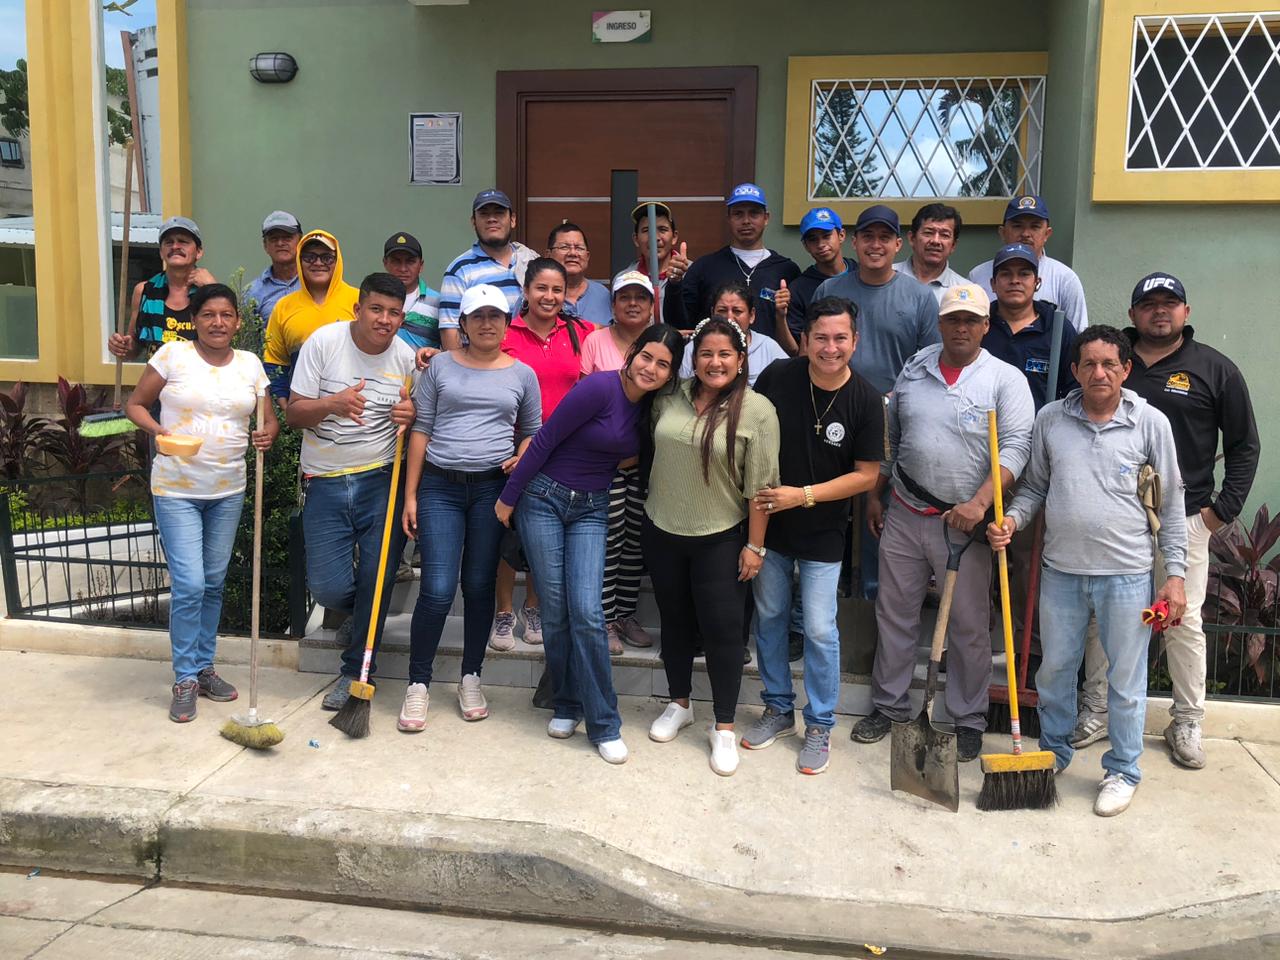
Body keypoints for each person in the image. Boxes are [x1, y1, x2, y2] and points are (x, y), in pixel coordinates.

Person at [989, 325, 1187, 817]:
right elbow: (1035, 488)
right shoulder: (1051, 419)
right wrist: (1012, 520)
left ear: (1126, 369)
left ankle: (1122, 770)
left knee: (1125, 681)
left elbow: (1172, 504)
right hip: (1062, 572)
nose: (1099, 373)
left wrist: (1175, 575)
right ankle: (1053, 752)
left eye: (1109, 364)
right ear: (1075, 370)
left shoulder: (1150, 423)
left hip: (1128, 575)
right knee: (1055, 670)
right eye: (1089, 364)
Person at [1075, 274, 1258, 770]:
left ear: (1185, 312)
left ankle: (1187, 720)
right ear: (1133, 314)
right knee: (1103, 618)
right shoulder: (1111, 360)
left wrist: (1219, 513)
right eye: (1149, 304)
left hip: (1184, 516)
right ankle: (1096, 709)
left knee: (1179, 619)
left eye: (1170, 303)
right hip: (1114, 517)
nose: (1160, 311)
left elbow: (1244, 445)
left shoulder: (1214, 369)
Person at [852, 283, 1034, 762]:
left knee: (969, 626)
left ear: (986, 326)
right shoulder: (916, 368)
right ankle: (889, 706)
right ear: (940, 323)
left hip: (964, 526)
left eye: (971, 320)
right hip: (904, 511)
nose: (961, 328)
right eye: (953, 319)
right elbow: (892, 436)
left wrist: (979, 503)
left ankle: (968, 718)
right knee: (894, 614)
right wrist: (875, 495)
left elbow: (1017, 447)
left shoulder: (1005, 379)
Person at [497, 325, 686, 761]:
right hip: (544, 499)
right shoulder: (599, 387)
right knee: (556, 609)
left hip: (592, 507)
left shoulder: (653, 408)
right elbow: (545, 439)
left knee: (586, 611)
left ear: (670, 374)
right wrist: (509, 497)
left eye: (663, 365)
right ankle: (566, 703)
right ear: (632, 353)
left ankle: (604, 723)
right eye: (646, 356)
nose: (651, 368)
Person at [123, 283, 278, 722]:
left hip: (228, 489)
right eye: (208, 314)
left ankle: (205, 668)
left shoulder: (250, 365)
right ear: (194, 320)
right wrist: (159, 432)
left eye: (226, 315)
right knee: (190, 584)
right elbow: (135, 405)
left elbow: (268, 420)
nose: (217, 322)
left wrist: (267, 434)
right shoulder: (172, 356)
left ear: (237, 322)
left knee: (212, 582)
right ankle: (185, 678)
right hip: (177, 488)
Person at [743, 296, 883, 775]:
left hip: (824, 532)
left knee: (821, 629)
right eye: (820, 337)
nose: (830, 347)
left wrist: (802, 496)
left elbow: (867, 475)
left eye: (840, 338)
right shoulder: (778, 377)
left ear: (855, 341)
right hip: (771, 526)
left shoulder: (866, 398)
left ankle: (820, 722)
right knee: (770, 617)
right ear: (804, 340)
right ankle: (778, 708)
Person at [398, 284, 542, 729]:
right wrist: (410, 495)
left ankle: (471, 677)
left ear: (507, 323)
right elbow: (421, 429)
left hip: (490, 491)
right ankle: (418, 684)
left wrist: (520, 460)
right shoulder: (439, 366)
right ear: (462, 323)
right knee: (438, 589)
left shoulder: (522, 374)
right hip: (439, 487)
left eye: (494, 316)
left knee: (479, 586)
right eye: (477, 316)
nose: (486, 323)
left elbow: (532, 431)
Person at [643, 316, 780, 777]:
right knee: (674, 622)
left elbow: (761, 487)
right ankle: (679, 703)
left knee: (723, 633)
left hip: (721, 538)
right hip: (663, 528)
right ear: (693, 358)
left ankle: (723, 725)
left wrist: (755, 547)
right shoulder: (670, 397)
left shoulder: (757, 410)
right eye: (706, 353)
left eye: (724, 354)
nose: (715, 362)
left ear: (741, 360)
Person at [285, 273, 417, 712]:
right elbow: (294, 415)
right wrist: (333, 404)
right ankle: (361, 616)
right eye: (376, 309)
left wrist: (411, 413)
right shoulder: (324, 343)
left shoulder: (406, 358)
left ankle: (355, 671)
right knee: (327, 587)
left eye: (394, 312)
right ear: (358, 309)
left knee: (376, 578)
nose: (384, 320)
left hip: (381, 479)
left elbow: (420, 417)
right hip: (323, 480)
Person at [814, 204, 939, 601]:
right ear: (854, 242)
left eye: (885, 237)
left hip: (890, 421)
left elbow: (928, 365)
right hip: (831, 414)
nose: (875, 245)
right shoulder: (829, 291)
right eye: (868, 236)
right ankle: (827, 593)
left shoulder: (919, 298)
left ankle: (873, 596)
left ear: (899, 245)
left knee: (877, 509)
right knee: (828, 502)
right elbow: (811, 353)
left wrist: (893, 399)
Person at [488, 259, 595, 651]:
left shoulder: (582, 333)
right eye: (541, 288)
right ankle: (504, 612)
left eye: (557, 290)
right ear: (526, 291)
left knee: (541, 537)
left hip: (564, 452)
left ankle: (533, 607)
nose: (549, 297)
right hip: (512, 448)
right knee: (508, 535)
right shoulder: (506, 334)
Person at [581, 271, 661, 653]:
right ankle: (605, 618)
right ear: (612, 304)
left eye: (640, 297)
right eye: (624, 297)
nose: (632, 303)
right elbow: (584, 396)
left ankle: (626, 613)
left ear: (651, 305)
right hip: (604, 465)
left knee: (635, 543)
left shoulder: (658, 343)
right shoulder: (595, 340)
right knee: (609, 539)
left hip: (644, 465)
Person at [675, 183, 800, 351]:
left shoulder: (787, 270)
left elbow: (795, 344)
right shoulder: (704, 268)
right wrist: (674, 284)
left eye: (754, 213)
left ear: (766, 218)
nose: (746, 221)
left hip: (770, 363)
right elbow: (681, 322)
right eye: (738, 214)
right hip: (716, 362)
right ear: (728, 218)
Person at [262, 230, 359, 407]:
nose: (318, 263)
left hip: (354, 408)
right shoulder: (284, 306)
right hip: (303, 409)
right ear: (299, 261)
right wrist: (286, 407)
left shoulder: (358, 300)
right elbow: (275, 363)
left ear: (337, 260)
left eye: (326, 258)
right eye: (309, 257)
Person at [968, 195, 1089, 333]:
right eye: (1017, 226)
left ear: (1047, 234)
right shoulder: (978, 276)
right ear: (1002, 232)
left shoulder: (1065, 279)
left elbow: (1079, 336)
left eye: (1035, 226)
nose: (1025, 234)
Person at [437, 189, 539, 350]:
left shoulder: (531, 262)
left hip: (530, 360)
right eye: (484, 214)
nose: (492, 219)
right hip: (480, 363)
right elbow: (450, 332)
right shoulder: (459, 270)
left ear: (512, 220)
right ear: (474, 222)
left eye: (499, 213)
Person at [981, 244, 1075, 410]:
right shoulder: (979, 324)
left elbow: (1074, 389)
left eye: (1024, 274)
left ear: (1037, 283)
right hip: (983, 424)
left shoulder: (1058, 329)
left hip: (1040, 425)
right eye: (1006, 274)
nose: (1015, 280)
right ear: (993, 284)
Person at [108, 216, 215, 360]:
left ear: (199, 252)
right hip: (157, 374)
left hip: (201, 374)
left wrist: (213, 288)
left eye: (183, 241)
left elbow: (232, 338)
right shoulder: (145, 291)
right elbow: (133, 349)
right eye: (169, 242)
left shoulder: (209, 290)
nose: (175, 246)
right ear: (161, 252)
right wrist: (122, 346)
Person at [678, 281, 789, 387]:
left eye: (737, 311)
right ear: (712, 313)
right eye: (722, 311)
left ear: (751, 315)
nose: (729, 318)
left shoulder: (768, 347)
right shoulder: (694, 348)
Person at [784, 207, 853, 346]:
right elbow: (799, 345)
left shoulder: (861, 274)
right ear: (806, 246)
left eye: (826, 236)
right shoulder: (799, 288)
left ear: (841, 235)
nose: (821, 244)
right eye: (813, 239)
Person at [615, 201, 692, 324]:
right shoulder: (624, 279)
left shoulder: (692, 272)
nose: (655, 238)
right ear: (636, 239)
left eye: (662, 230)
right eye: (646, 230)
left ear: (674, 237)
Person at [893, 203, 967, 304]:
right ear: (912, 238)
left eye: (944, 235)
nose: (935, 241)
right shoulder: (884, 278)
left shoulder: (963, 291)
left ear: (953, 245)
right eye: (928, 233)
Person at [382, 232, 442, 351]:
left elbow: (449, 351)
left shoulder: (438, 303)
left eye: (410, 261)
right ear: (385, 263)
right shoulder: (374, 300)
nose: (403, 268)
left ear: (421, 265)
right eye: (396, 261)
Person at [245, 211, 302, 329]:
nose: (280, 243)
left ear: (301, 241)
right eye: (274, 239)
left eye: (287, 237)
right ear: (265, 246)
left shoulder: (317, 283)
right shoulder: (252, 292)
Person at [547, 222, 612, 326]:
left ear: (587, 256)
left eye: (579, 248)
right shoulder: (538, 295)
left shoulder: (603, 295)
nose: (573, 253)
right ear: (548, 255)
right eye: (564, 247)